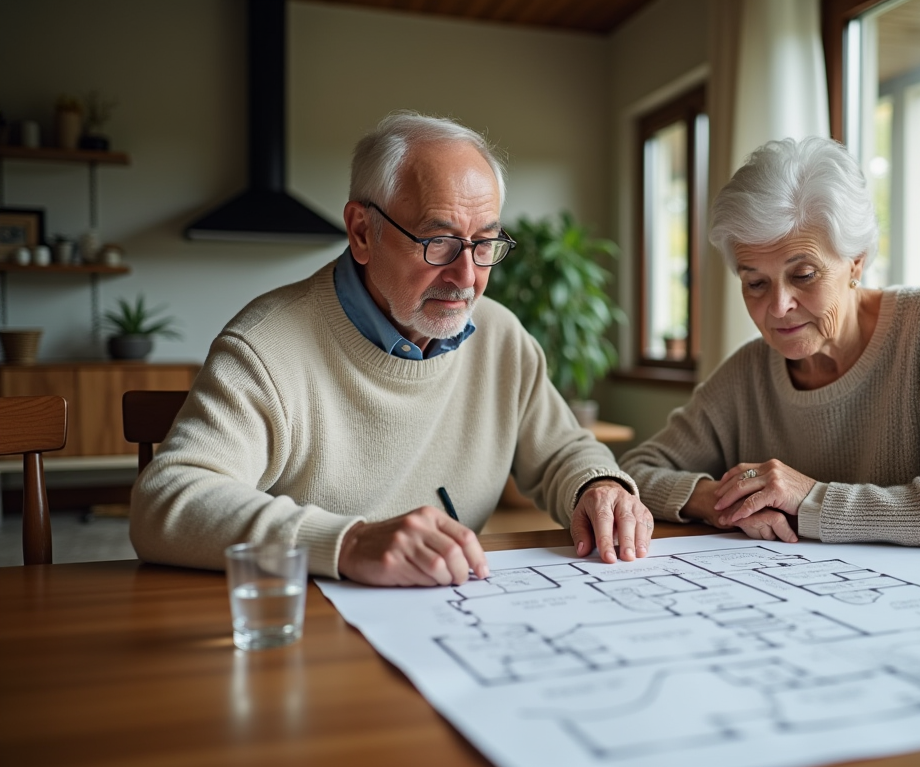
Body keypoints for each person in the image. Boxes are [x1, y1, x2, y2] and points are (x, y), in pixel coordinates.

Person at [131, 111, 653, 586]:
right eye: (438, 241)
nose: (466, 277)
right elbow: (166, 499)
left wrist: (599, 486)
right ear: (362, 231)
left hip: (451, 617)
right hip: (306, 620)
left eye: (484, 243)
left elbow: (562, 451)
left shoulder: (500, 335)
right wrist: (348, 543)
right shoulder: (265, 347)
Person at [620, 137, 920, 550]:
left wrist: (813, 501)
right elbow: (636, 470)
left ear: (856, 262)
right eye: (756, 283)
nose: (778, 307)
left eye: (803, 275)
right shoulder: (748, 373)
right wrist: (718, 500)